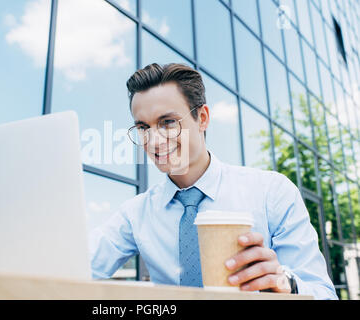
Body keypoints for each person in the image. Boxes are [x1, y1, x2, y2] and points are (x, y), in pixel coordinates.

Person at [89, 63, 337, 300]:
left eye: (167, 122)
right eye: (143, 127)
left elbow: (324, 294)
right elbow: (77, 265)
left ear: (203, 118)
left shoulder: (272, 193)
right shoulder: (136, 214)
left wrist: (287, 284)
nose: (153, 140)